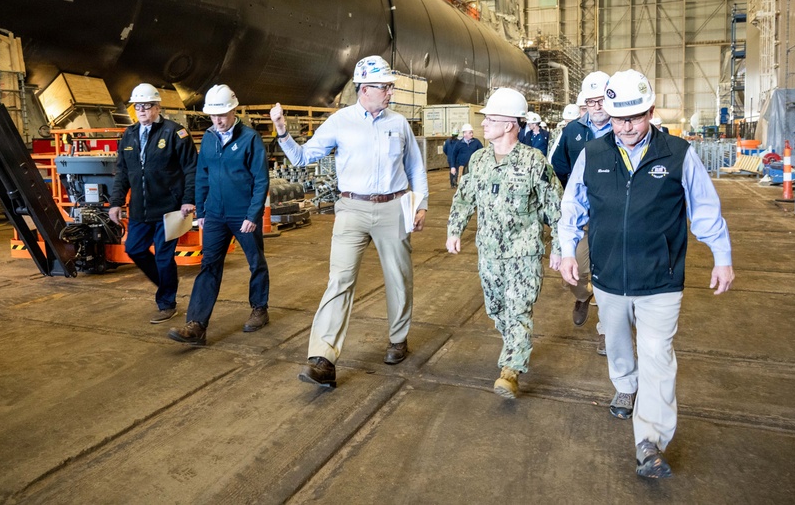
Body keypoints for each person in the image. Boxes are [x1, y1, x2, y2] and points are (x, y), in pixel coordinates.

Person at [558, 69, 734, 479]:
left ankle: (649, 441)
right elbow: (573, 208)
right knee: (617, 342)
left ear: (650, 112)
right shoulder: (594, 154)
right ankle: (624, 382)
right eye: (619, 119)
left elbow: (705, 209)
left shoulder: (677, 153)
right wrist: (568, 250)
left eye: (634, 118)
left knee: (657, 355)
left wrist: (722, 256)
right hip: (608, 277)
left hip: (660, 279)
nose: (626, 127)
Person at [270, 55, 428, 388]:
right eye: (384, 87)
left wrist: (420, 204)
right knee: (339, 280)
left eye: (389, 86)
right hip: (351, 208)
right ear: (364, 89)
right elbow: (302, 157)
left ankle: (398, 339)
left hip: (394, 207)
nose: (390, 92)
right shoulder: (340, 122)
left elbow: (415, 167)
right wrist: (283, 132)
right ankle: (323, 357)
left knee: (399, 278)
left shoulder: (398, 124)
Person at [446, 88, 563, 399]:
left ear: (511, 124)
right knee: (498, 310)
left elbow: (555, 206)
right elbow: (464, 198)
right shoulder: (479, 159)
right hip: (489, 252)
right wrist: (454, 230)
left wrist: (560, 249)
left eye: (491, 119)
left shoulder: (534, 160)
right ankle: (513, 343)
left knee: (518, 309)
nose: (484, 124)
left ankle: (510, 370)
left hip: (523, 253)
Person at [168, 85, 271, 347]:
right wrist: (201, 211)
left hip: (242, 215)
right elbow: (202, 175)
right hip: (214, 214)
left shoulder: (249, 139)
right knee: (209, 266)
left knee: (255, 261)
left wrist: (253, 214)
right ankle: (197, 325)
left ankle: (259, 307)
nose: (218, 121)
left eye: (222, 115)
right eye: (213, 116)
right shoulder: (210, 139)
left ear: (234, 110)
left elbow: (261, 180)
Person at [109, 83, 197, 323]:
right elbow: (123, 172)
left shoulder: (175, 133)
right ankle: (167, 282)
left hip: (168, 210)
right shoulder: (129, 135)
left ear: (158, 107)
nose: (142, 111)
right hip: (139, 210)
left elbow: (191, 169)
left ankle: (167, 303)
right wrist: (116, 202)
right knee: (134, 249)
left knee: (163, 256)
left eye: (147, 106)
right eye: (138, 106)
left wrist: (188, 200)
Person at [549, 71, 612, 345]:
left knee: (611, 274)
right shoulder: (573, 131)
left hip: (612, 216)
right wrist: (563, 208)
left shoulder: (623, 128)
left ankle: (607, 331)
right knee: (574, 271)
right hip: (582, 217)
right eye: (591, 101)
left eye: (601, 100)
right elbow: (558, 170)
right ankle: (582, 296)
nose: (596, 106)